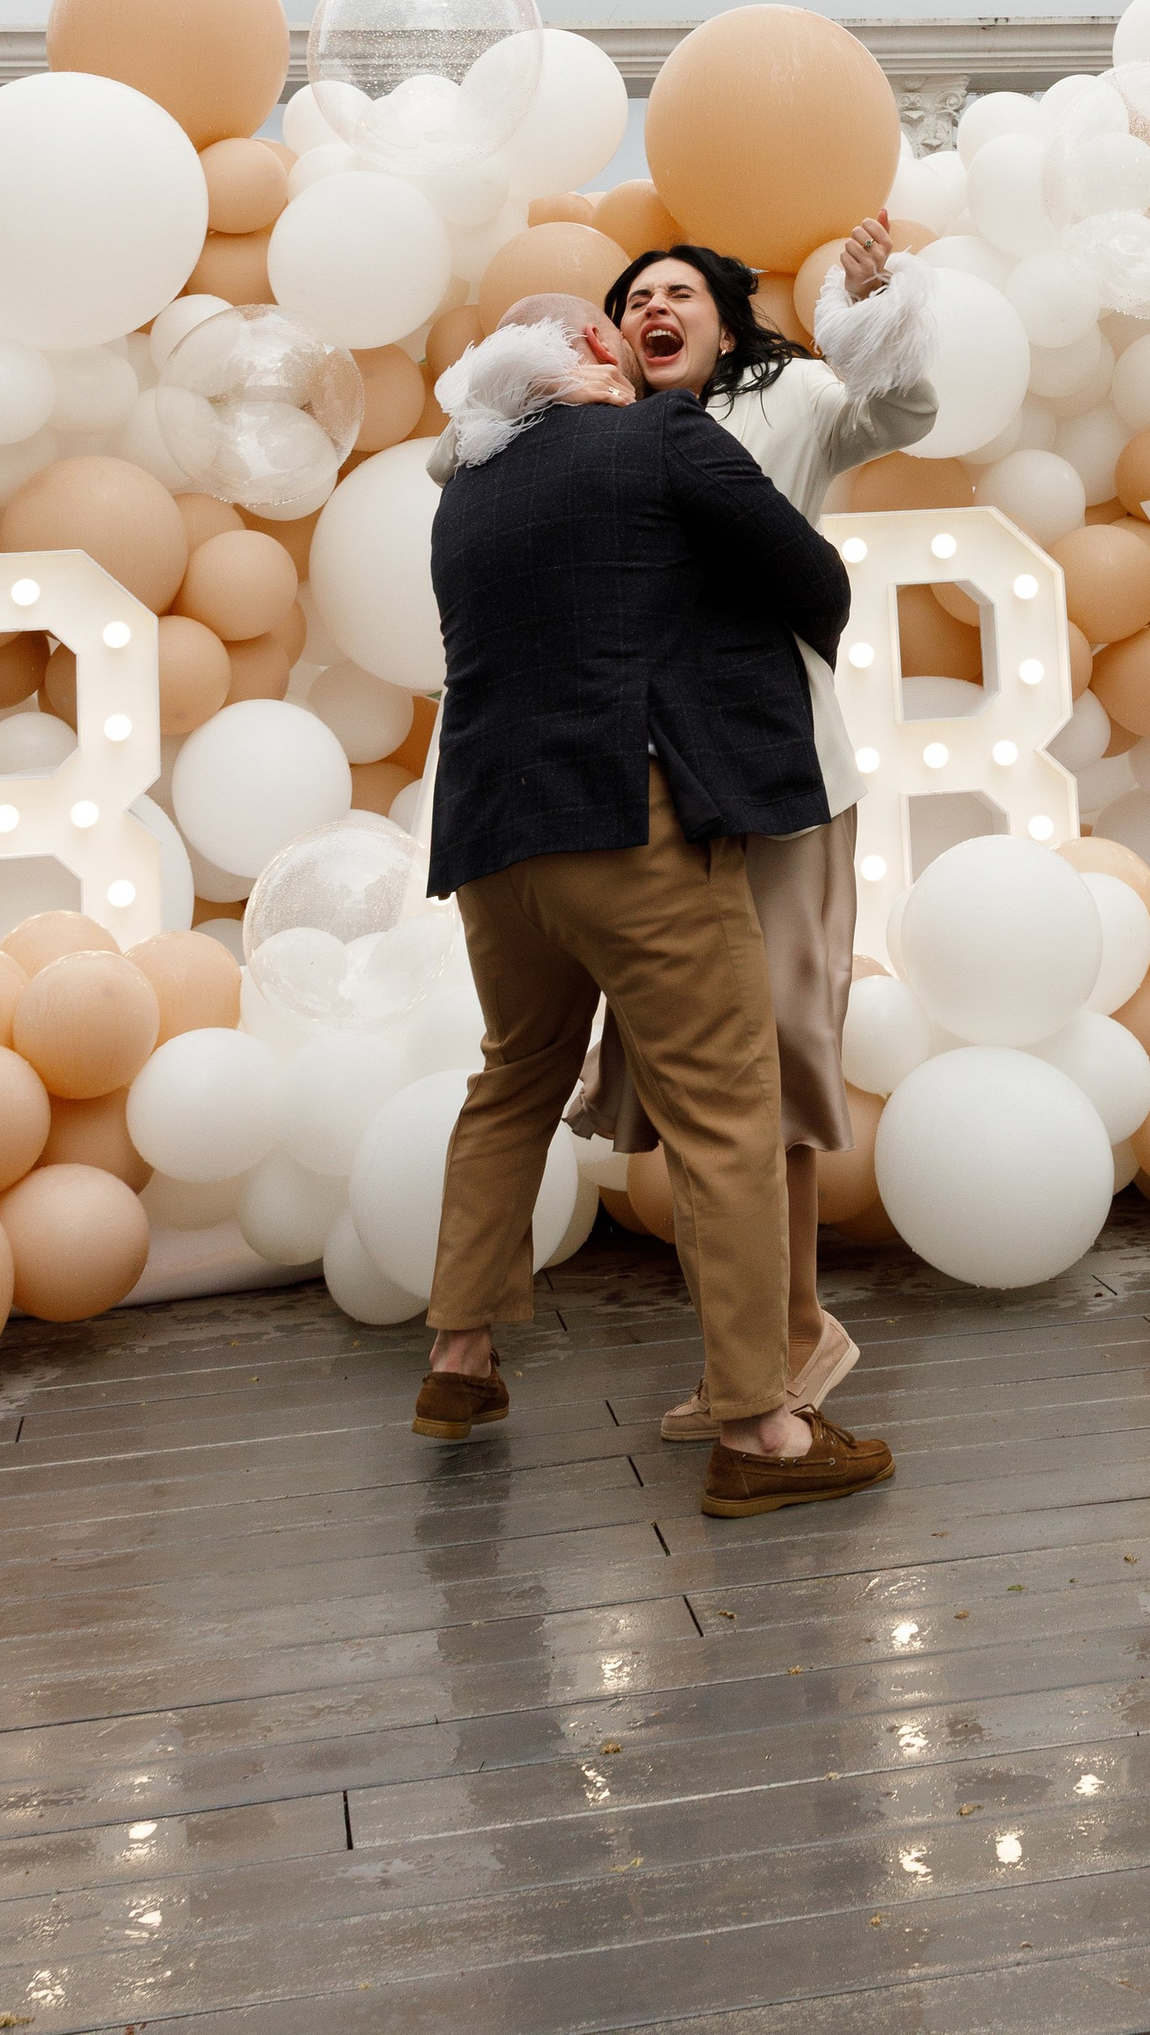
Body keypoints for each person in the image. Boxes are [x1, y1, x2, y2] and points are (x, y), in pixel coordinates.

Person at [417, 290, 893, 1518]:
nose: (640, 345)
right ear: (587, 354)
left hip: (486, 837)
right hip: (625, 821)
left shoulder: (464, 492)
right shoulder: (663, 435)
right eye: (617, 333)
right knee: (726, 1109)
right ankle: (760, 1426)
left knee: (511, 1078)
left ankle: (458, 1357)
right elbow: (808, 573)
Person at [593, 218, 935, 1435]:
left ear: (724, 323)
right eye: (634, 298)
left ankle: (797, 1332)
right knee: (689, 1079)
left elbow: (896, 415)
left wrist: (877, 311)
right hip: (653, 793)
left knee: (777, 1057)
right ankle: (743, 1360)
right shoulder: (600, 439)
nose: (654, 306)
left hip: (785, 781)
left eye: (678, 290)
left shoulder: (787, 397)